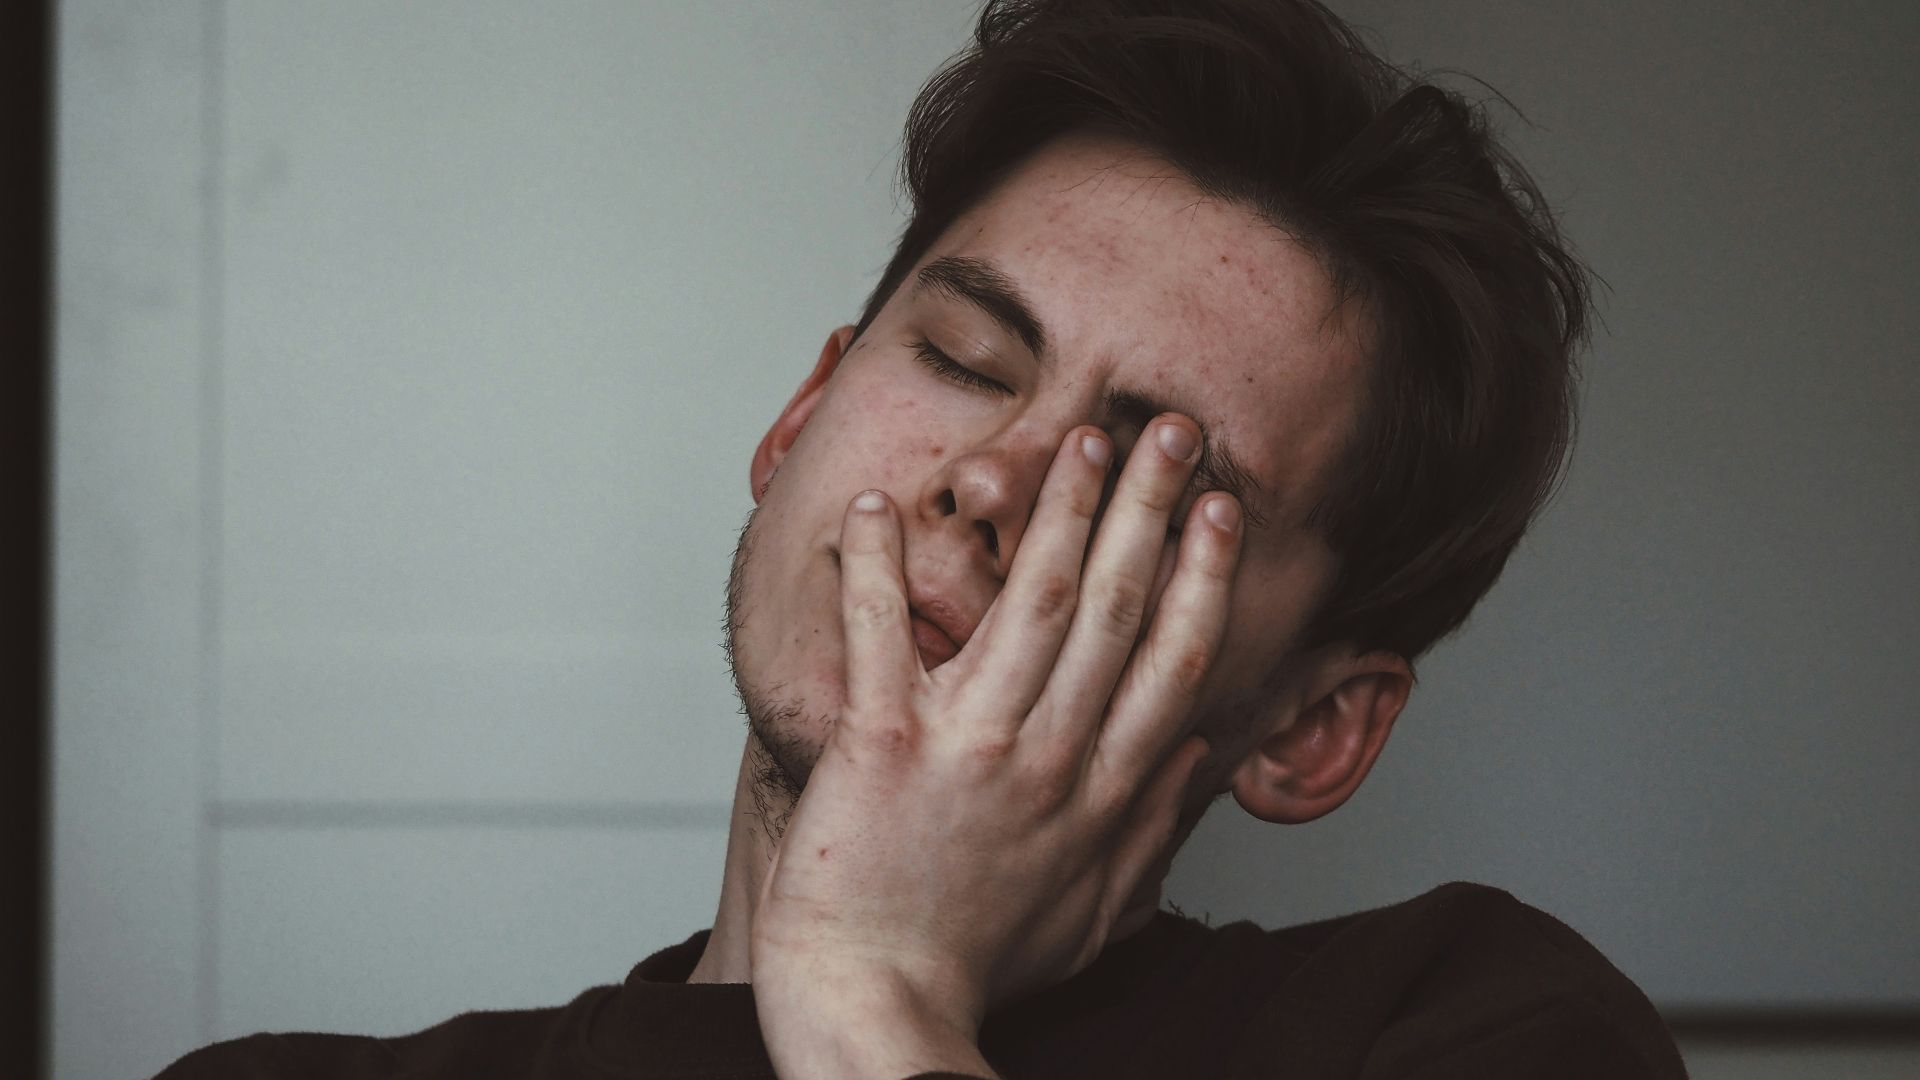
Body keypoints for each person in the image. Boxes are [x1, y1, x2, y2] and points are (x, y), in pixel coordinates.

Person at [162, 1, 1687, 1077]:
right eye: (962, 361)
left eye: (1152, 481)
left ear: (1315, 727)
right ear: (796, 423)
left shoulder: (1471, 1030)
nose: (990, 480)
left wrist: (875, 1000)